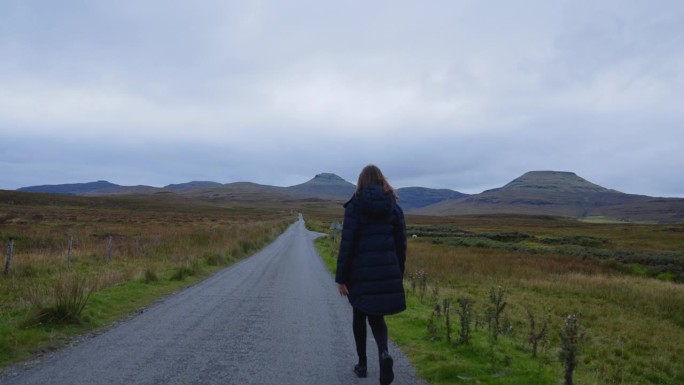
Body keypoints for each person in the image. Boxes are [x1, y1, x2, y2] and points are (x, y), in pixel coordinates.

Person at [336, 164, 407, 385]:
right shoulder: (393, 207)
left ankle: (362, 365)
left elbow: (347, 245)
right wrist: (397, 272)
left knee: (359, 315)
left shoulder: (355, 206)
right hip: (386, 268)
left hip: (359, 272)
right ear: (381, 180)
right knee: (377, 317)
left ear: (361, 181)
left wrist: (341, 278)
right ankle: (384, 353)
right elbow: (401, 243)